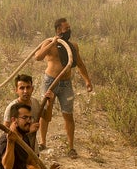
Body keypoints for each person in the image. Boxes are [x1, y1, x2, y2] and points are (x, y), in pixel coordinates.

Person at [34, 17, 93, 159]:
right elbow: (38, 57)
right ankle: (42, 143)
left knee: (68, 115)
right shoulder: (49, 43)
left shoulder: (73, 45)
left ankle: (71, 147)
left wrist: (87, 81)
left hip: (66, 84)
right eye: (66, 28)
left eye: (69, 28)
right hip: (50, 82)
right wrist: (52, 43)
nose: (69, 31)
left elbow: (79, 64)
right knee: (45, 113)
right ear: (59, 30)